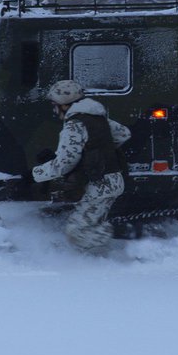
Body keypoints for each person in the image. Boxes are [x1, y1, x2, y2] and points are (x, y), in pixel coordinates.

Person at [33, 80, 132, 255]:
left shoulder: (75, 124)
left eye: (54, 105)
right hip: (112, 180)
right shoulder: (98, 118)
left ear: (64, 105)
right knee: (88, 226)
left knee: (78, 231)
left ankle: (122, 249)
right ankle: (98, 255)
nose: (54, 110)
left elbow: (64, 164)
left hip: (100, 186)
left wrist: (36, 173)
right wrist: (98, 150)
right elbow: (124, 133)